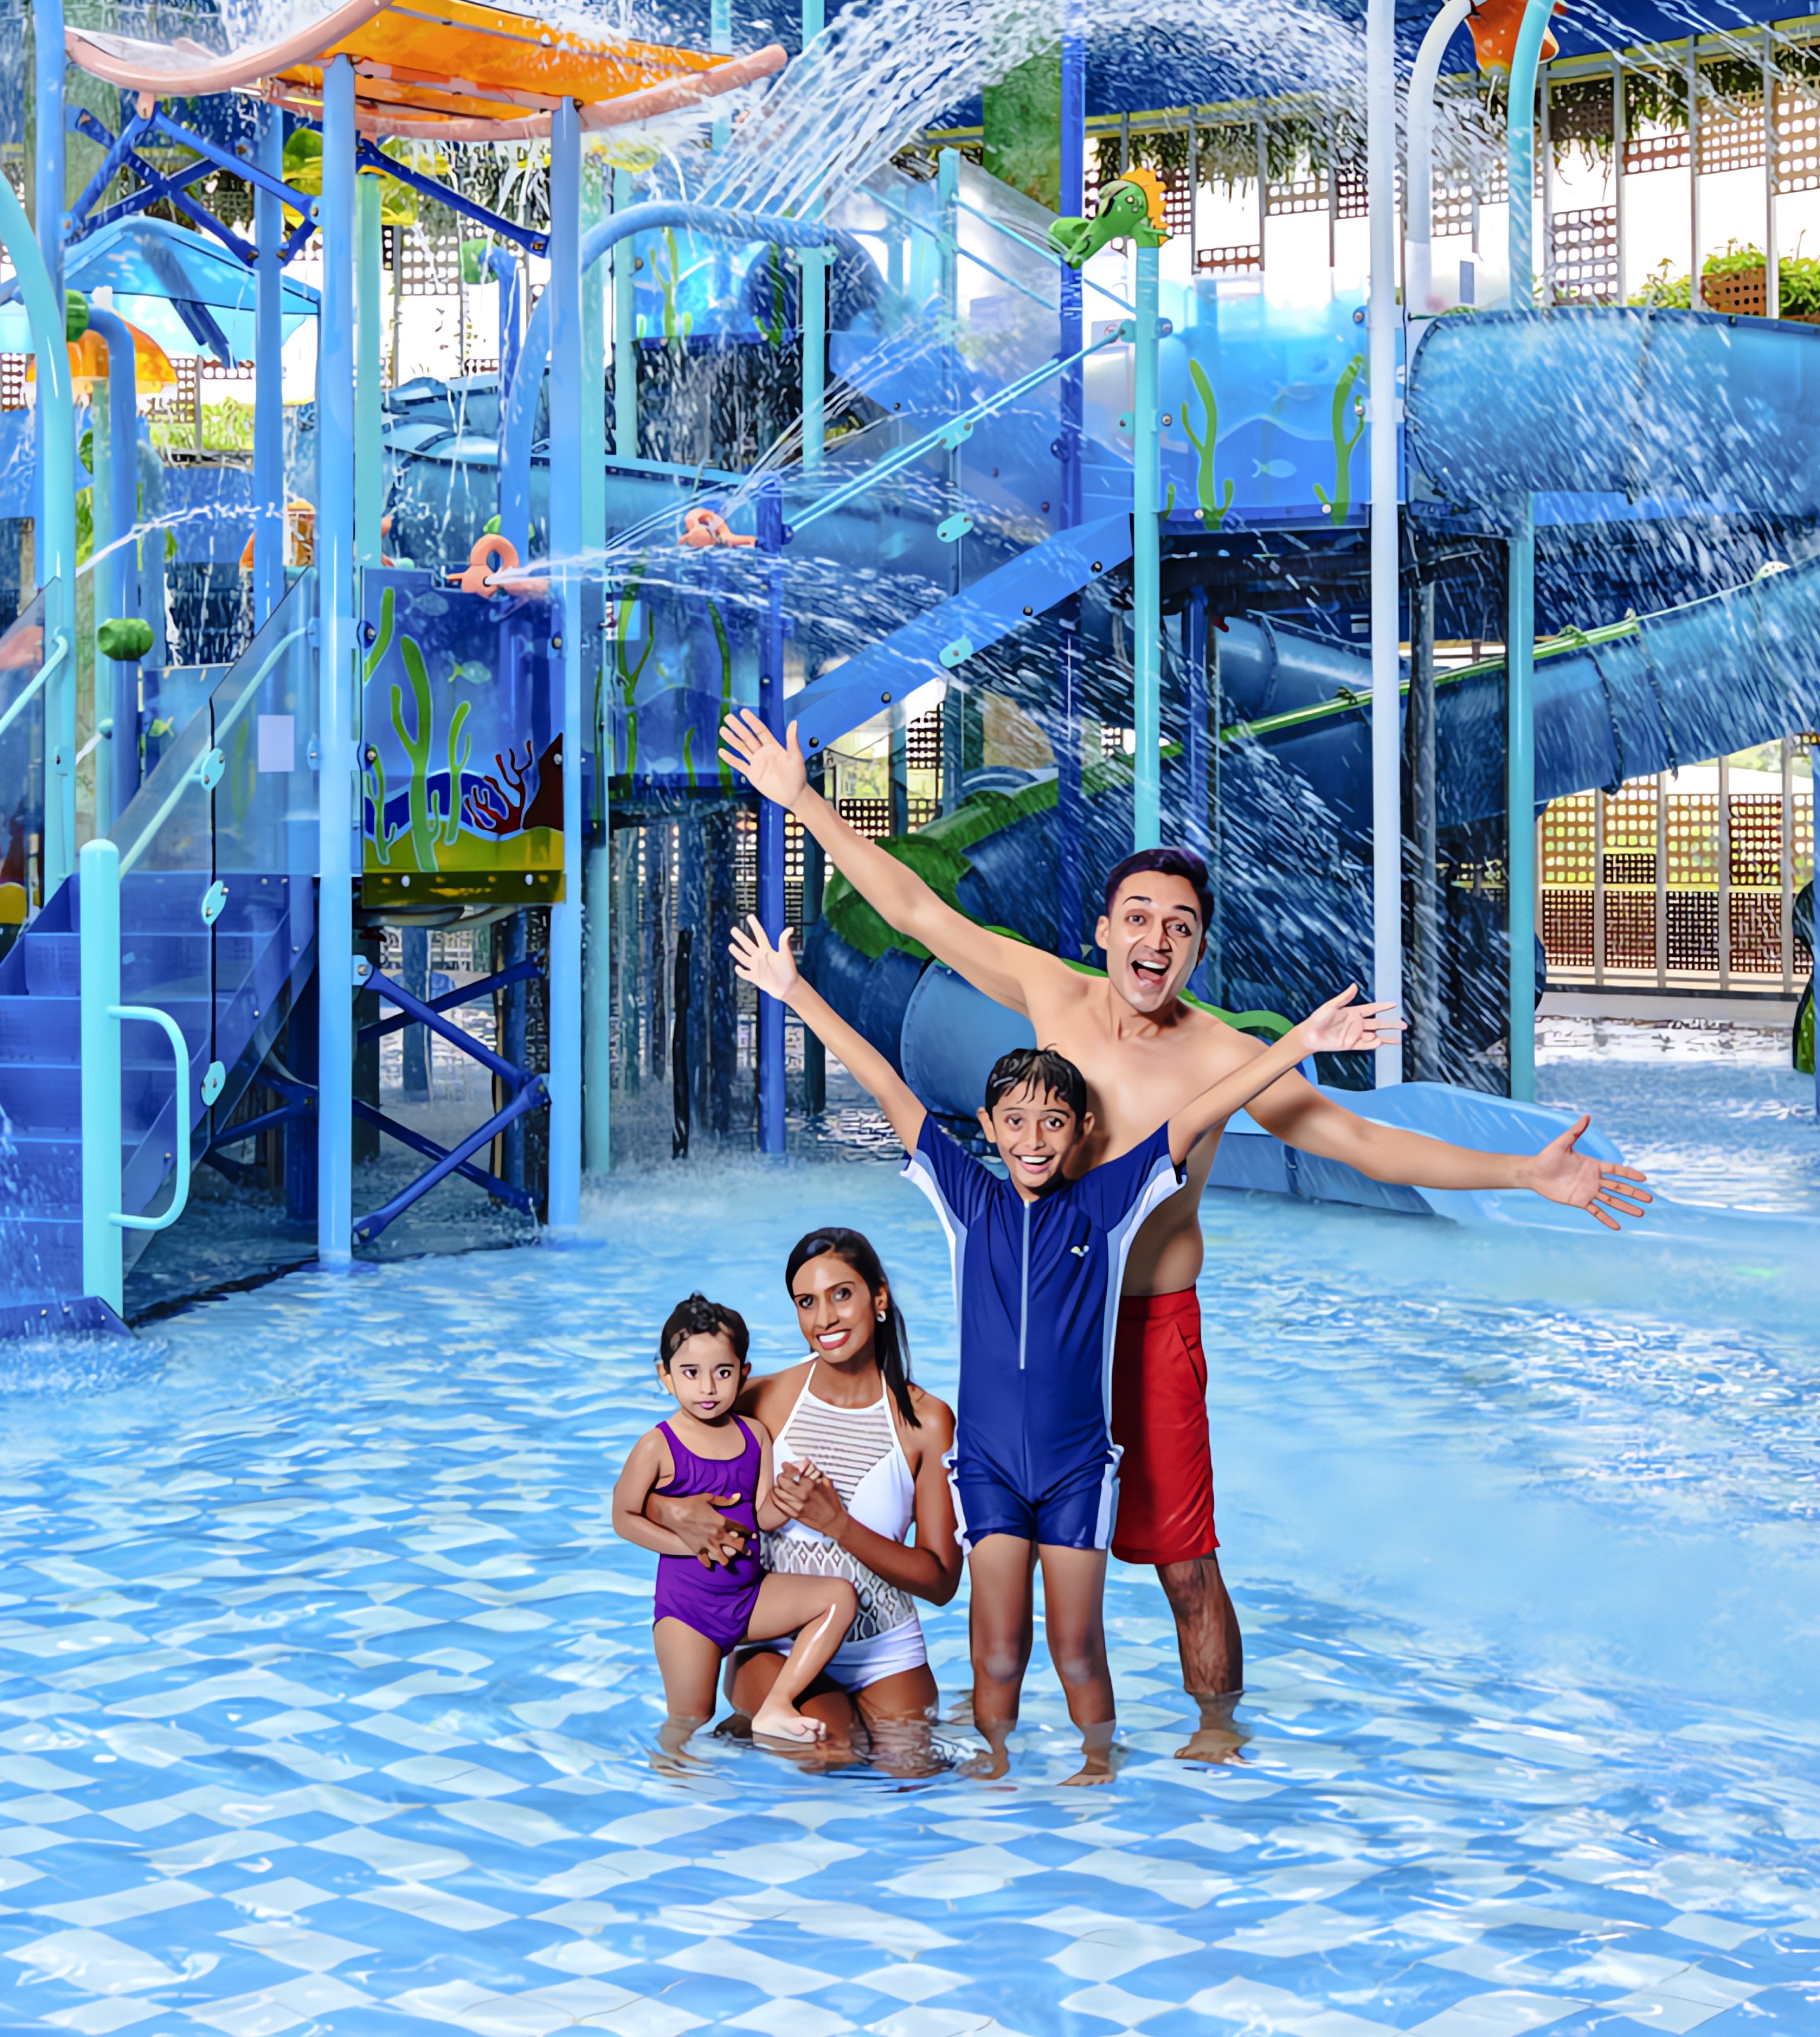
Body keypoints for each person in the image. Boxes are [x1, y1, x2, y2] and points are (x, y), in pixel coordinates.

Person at [722, 712, 1652, 1721]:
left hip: (1148, 1331)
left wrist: (1524, 1174)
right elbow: (913, 911)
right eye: (1138, 917)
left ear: (1197, 948)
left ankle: (1217, 1744)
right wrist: (800, 798)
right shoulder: (1051, 995)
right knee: (1009, 1572)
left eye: (1178, 926)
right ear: (1104, 929)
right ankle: (1003, 1757)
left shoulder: (1217, 1055)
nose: (1154, 939)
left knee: (1184, 1565)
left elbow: (1361, 1142)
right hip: (1034, 1334)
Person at [728, 920, 1375, 1744]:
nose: (1034, 1139)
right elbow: (887, 1084)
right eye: (1016, 1122)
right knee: (998, 1654)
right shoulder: (969, 1201)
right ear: (988, 1128)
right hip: (992, 1467)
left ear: (1083, 1137)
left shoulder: (1106, 1206)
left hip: (1077, 1468)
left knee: (1077, 1651)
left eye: (1055, 1124)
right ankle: (995, 1770)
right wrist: (794, 994)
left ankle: (1095, 1771)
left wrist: (1298, 1044)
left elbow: (1196, 1113)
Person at [666, 1228, 963, 1758]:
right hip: (777, 1643)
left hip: (885, 1649)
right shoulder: (765, 1398)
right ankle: (758, 1718)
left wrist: (840, 1526)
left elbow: (941, 1581)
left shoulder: (927, 1422)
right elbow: (664, 1463)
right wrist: (676, 1511)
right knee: (832, 1749)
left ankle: (747, 1732)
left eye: (841, 1295)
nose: (824, 1318)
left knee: (916, 1769)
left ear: (879, 1298)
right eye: (807, 1302)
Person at [603, 1294, 857, 1744]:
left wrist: (796, 1495)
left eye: (722, 1372)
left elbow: (762, 1516)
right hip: (689, 1612)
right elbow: (623, 1518)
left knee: (838, 1597)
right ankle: (673, 1783)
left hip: (750, 1597)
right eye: (690, 1373)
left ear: (743, 1373)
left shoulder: (754, 1435)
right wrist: (690, 1546)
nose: (707, 1388)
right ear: (665, 1377)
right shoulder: (657, 1446)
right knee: (690, 1717)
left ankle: (775, 1706)